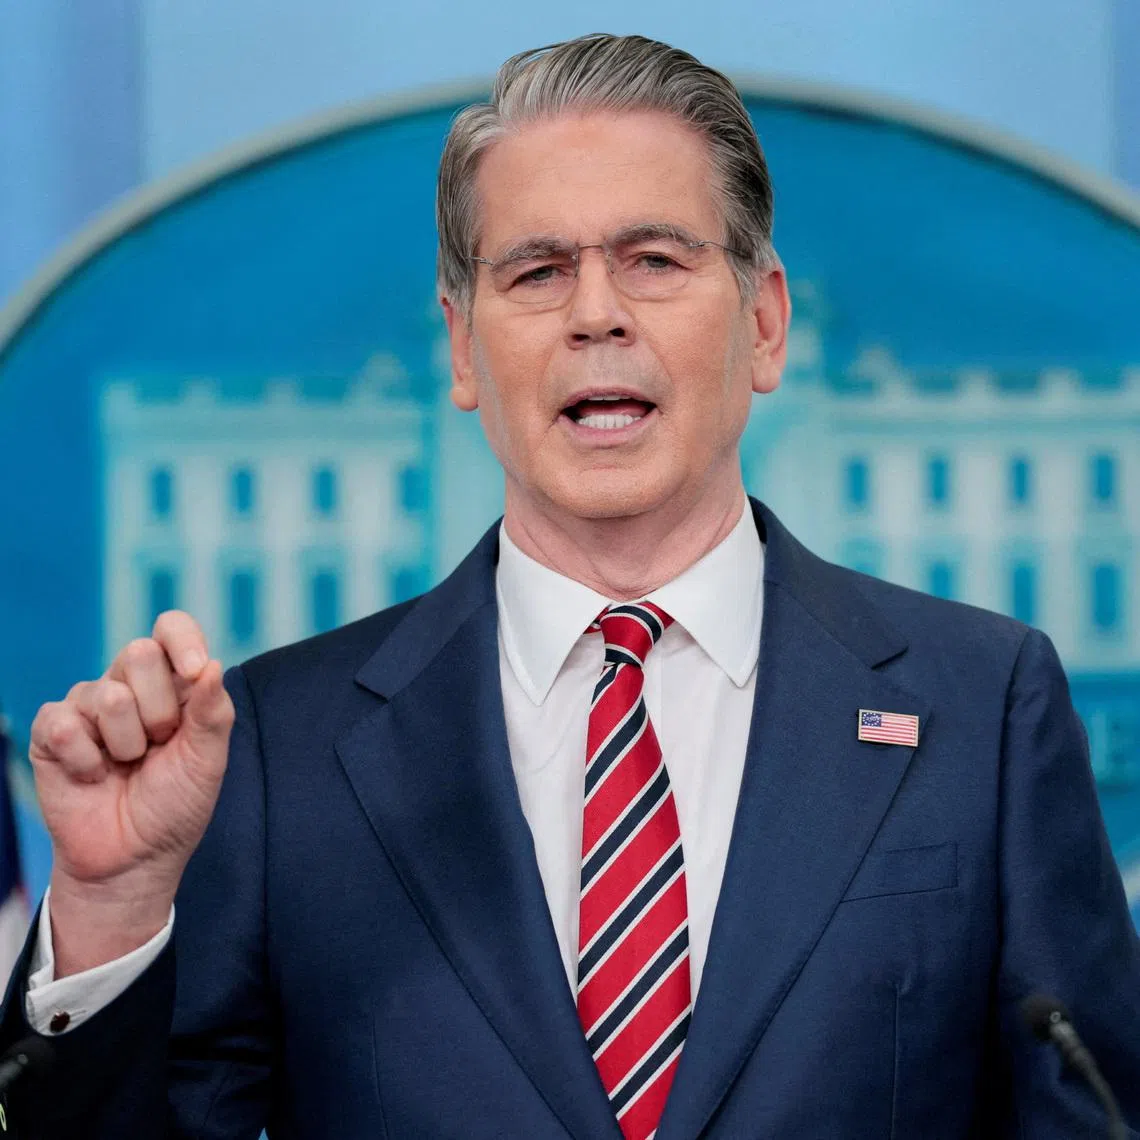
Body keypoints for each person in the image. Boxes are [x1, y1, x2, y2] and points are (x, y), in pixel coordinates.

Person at [2, 32, 1138, 1140]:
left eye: (655, 259)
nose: (598, 313)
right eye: (539, 272)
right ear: (461, 348)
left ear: (764, 322)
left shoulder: (981, 706)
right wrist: (109, 910)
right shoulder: (279, 748)